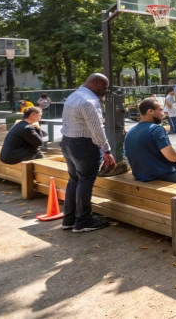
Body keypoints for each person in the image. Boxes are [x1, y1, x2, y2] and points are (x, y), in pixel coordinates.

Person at [60, 73, 114, 233]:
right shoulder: (89, 101)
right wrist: (107, 150)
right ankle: (83, 220)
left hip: (67, 142)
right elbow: (97, 129)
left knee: (74, 179)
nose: (105, 90)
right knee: (85, 181)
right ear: (96, 83)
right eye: (105, 87)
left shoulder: (73, 96)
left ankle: (69, 219)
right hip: (84, 145)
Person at [124, 99, 176, 183]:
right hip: (160, 177)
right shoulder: (157, 129)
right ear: (150, 111)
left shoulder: (130, 132)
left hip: (140, 176)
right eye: (160, 110)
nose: (163, 113)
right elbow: (172, 157)